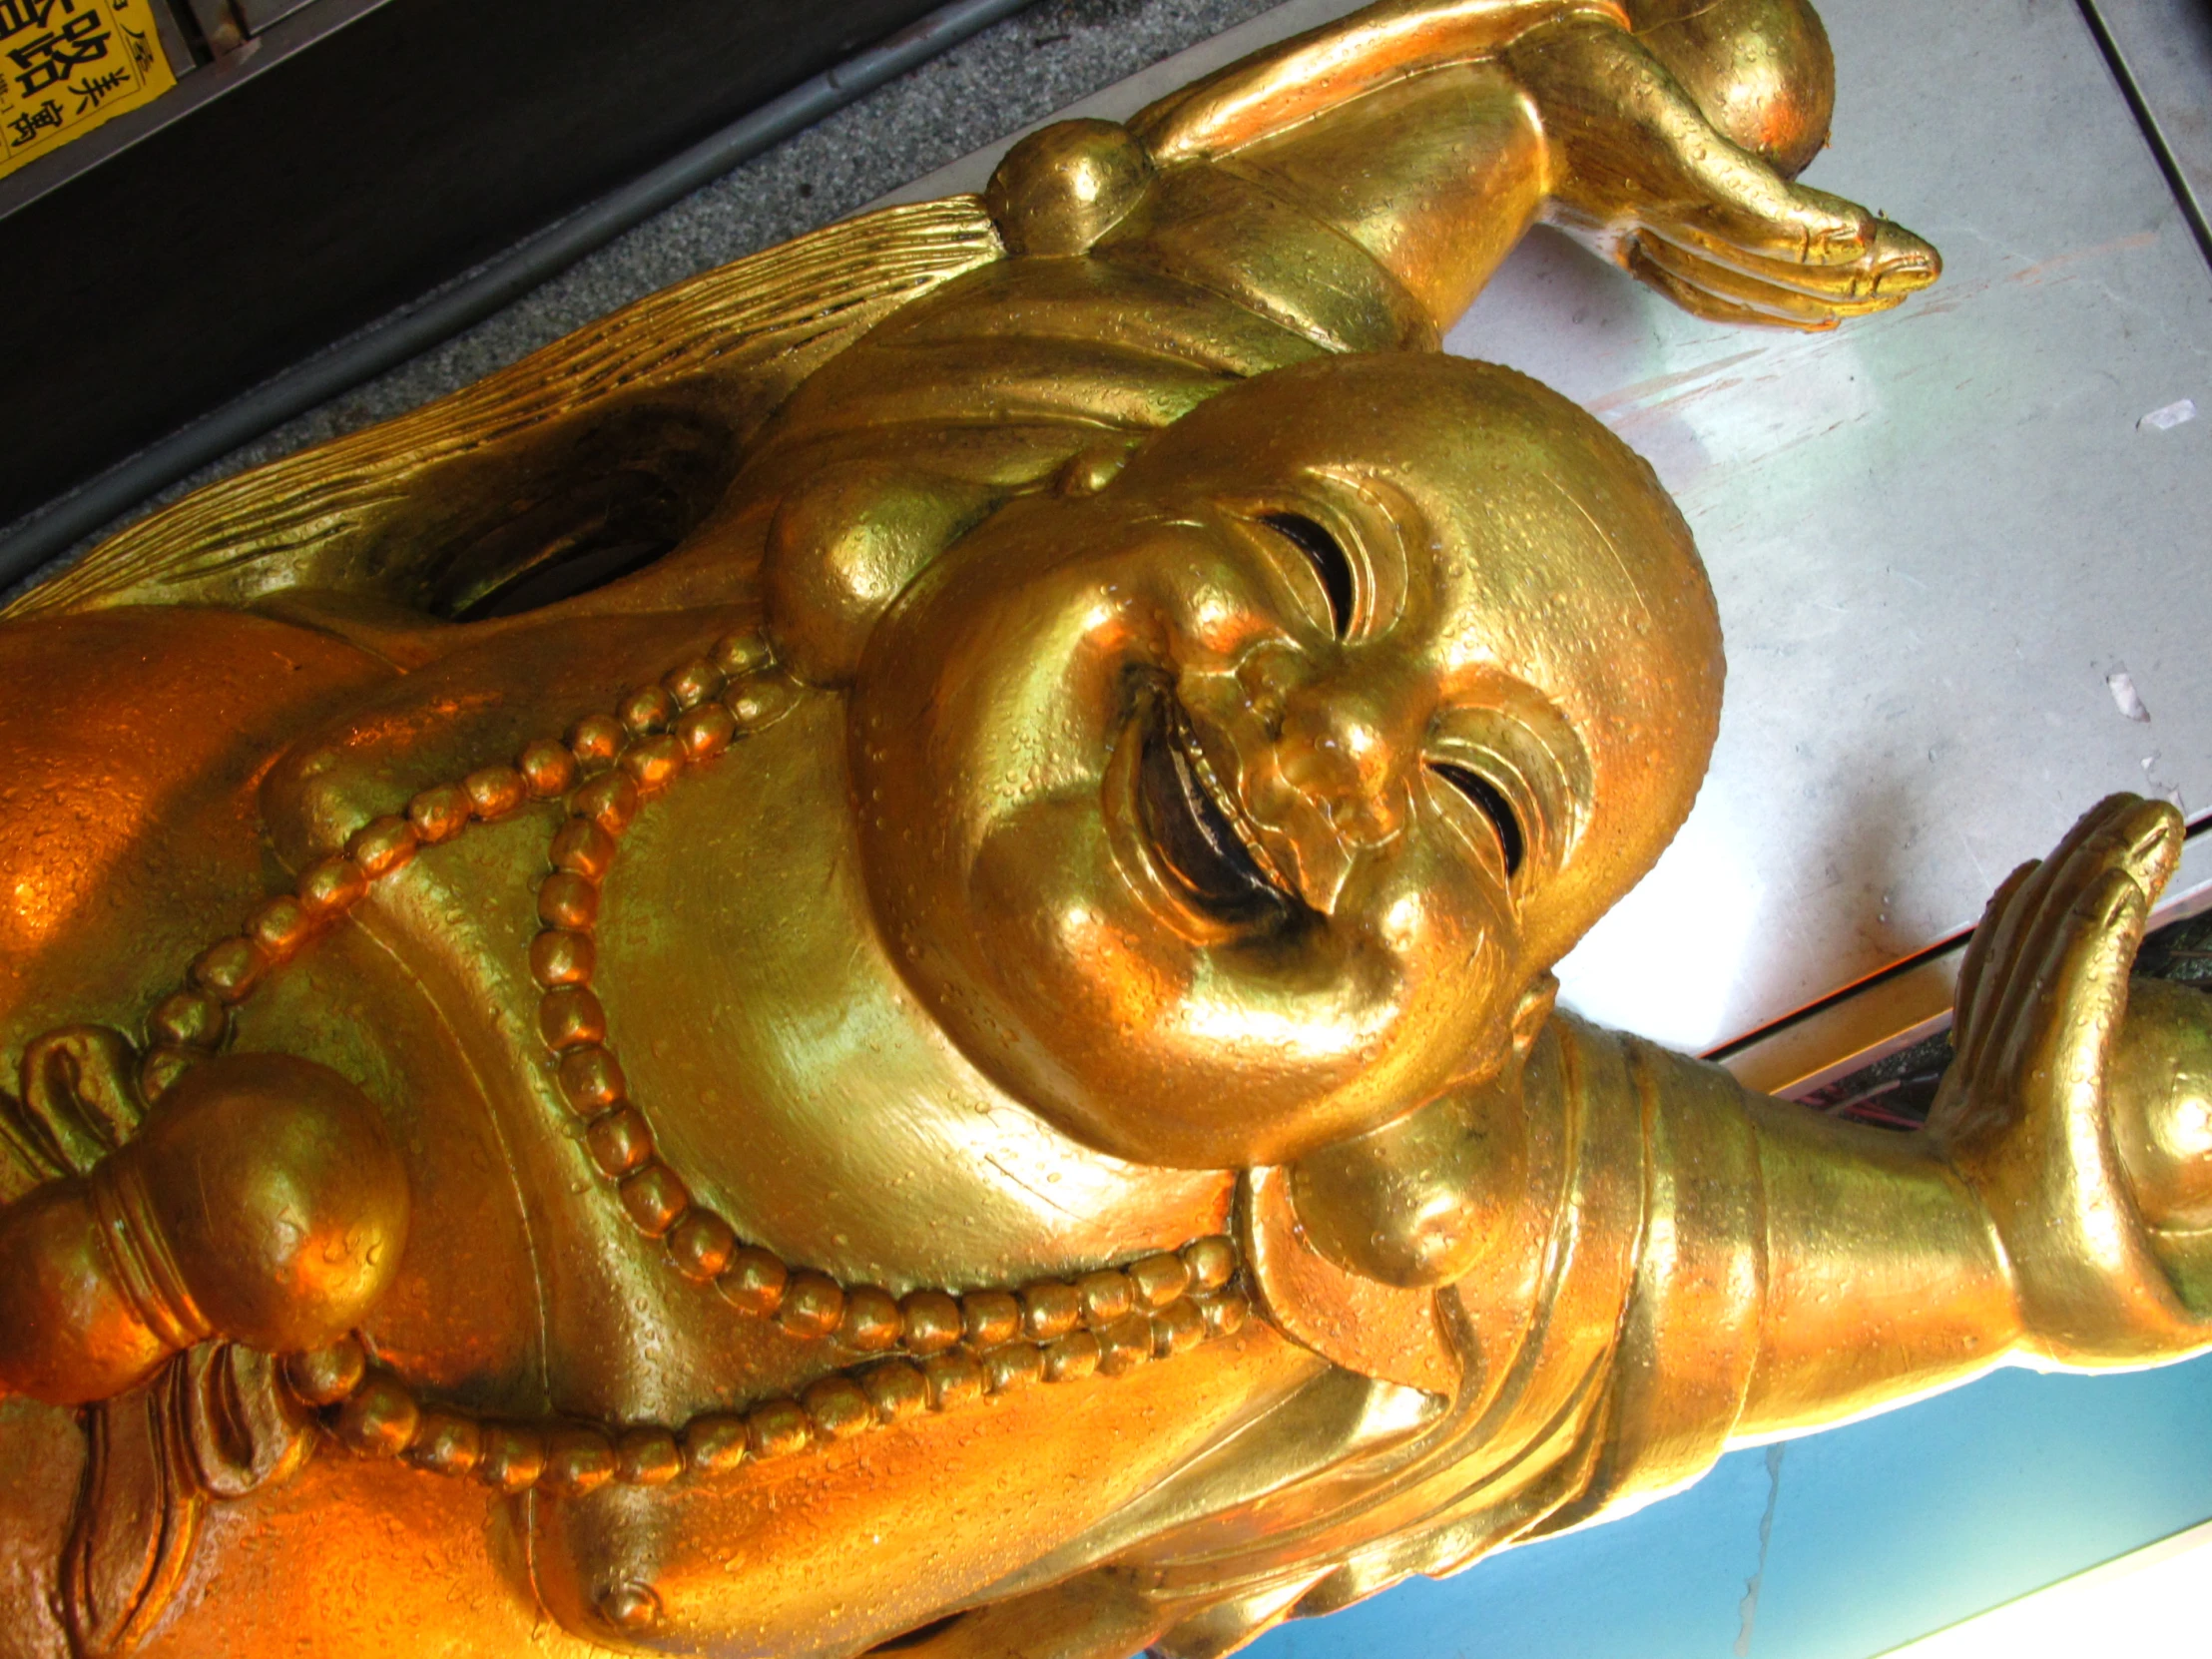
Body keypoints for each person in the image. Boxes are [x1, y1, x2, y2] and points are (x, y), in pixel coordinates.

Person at [4, 4, 2204, 1657]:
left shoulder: (1327, 1265)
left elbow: (1696, 1288)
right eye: (1326, 578)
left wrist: (2034, 1226)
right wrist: (1528, 108)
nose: (1333, 739)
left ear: (1443, 1076)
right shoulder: (920, 553)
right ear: (1060, 500)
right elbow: (1249, 302)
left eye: (1476, 802)